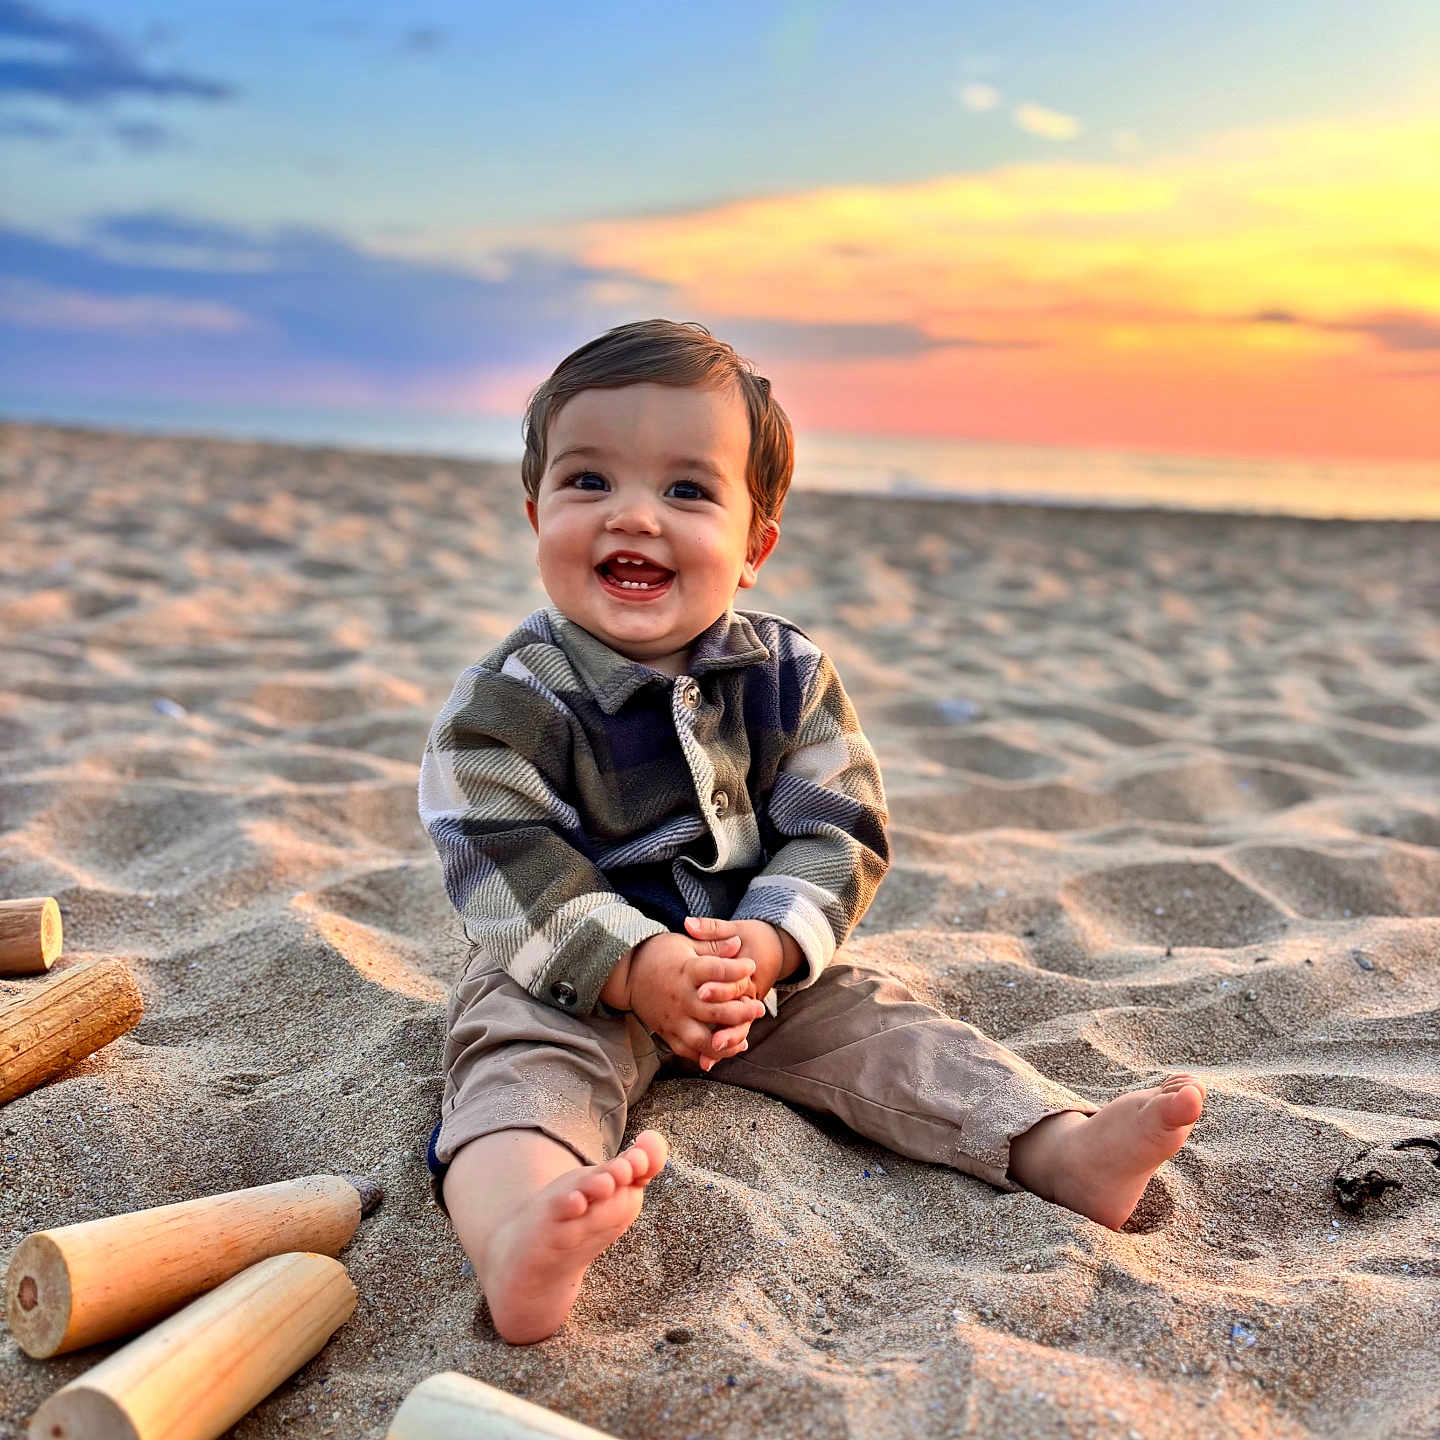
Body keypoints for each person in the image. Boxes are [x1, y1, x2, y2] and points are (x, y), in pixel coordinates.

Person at [418, 319, 1206, 1345]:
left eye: (687, 491)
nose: (635, 517)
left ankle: (1058, 1147)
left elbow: (839, 827)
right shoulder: (508, 696)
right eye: (588, 482)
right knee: (515, 1080)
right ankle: (519, 1232)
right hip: (569, 979)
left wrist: (776, 941)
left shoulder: (789, 676)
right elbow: (498, 852)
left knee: (896, 1034)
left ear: (754, 546)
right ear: (536, 514)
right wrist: (634, 964)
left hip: (751, 971)